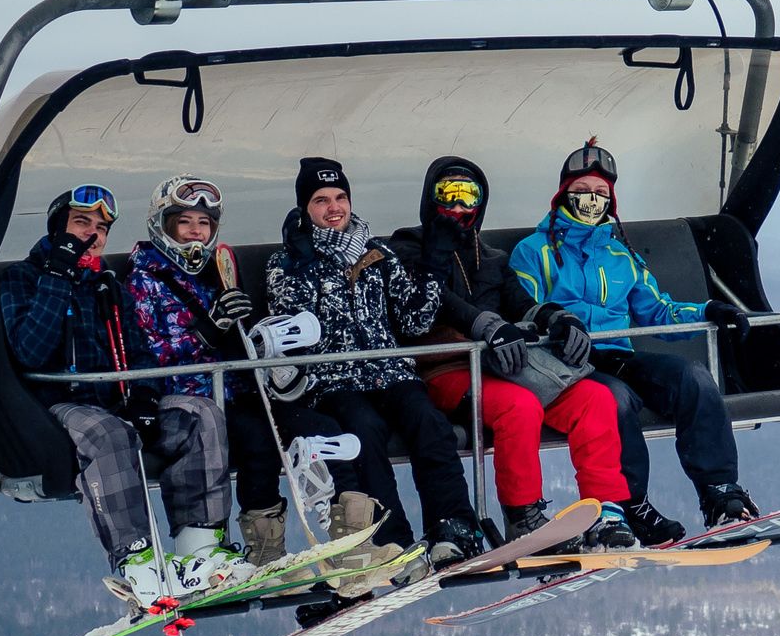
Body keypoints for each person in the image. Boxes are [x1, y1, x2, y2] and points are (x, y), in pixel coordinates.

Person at [390, 156, 663, 549]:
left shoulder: (491, 259)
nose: (459, 206)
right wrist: (487, 325)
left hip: (503, 364)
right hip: (446, 368)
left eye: (469, 196)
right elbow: (441, 304)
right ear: (430, 198)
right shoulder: (406, 250)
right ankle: (524, 517)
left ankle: (606, 509)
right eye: (448, 194)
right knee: (518, 407)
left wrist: (558, 318)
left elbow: (520, 301)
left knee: (596, 399)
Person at [0, 184, 232, 609]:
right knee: (108, 435)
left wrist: (143, 397)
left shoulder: (107, 286)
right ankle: (139, 562)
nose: (92, 235)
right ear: (58, 229)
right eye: (81, 223)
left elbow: (140, 352)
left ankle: (199, 551)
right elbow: (30, 349)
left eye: (101, 228)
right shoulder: (22, 279)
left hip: (117, 399)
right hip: (60, 404)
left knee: (201, 414)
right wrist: (57, 277)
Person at [508, 139, 763, 529]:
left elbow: (657, 311)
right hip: (567, 363)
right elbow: (522, 311)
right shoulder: (534, 252)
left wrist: (707, 310)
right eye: (582, 191)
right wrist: (555, 324)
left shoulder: (619, 254)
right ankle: (630, 505)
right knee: (615, 399)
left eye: (600, 193)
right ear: (563, 194)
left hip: (616, 354)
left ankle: (719, 491)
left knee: (693, 378)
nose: (591, 200)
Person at [124, 174, 364, 573]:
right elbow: (153, 356)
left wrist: (260, 341)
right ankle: (266, 549)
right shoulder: (143, 281)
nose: (195, 233)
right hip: (189, 400)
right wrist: (207, 330)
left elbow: (237, 339)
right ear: (164, 225)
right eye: (184, 222)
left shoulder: (218, 271)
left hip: (239, 388)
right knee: (257, 439)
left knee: (320, 426)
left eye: (204, 223)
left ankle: (354, 537)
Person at [264, 156, 491, 565]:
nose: (334, 208)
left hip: (388, 371)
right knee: (363, 431)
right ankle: (393, 542)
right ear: (305, 208)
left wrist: (434, 264)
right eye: (321, 200)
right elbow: (290, 331)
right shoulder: (285, 262)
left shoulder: (377, 253)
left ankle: (452, 525)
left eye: (340, 197)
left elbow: (415, 321)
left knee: (428, 421)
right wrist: (302, 267)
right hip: (332, 380)